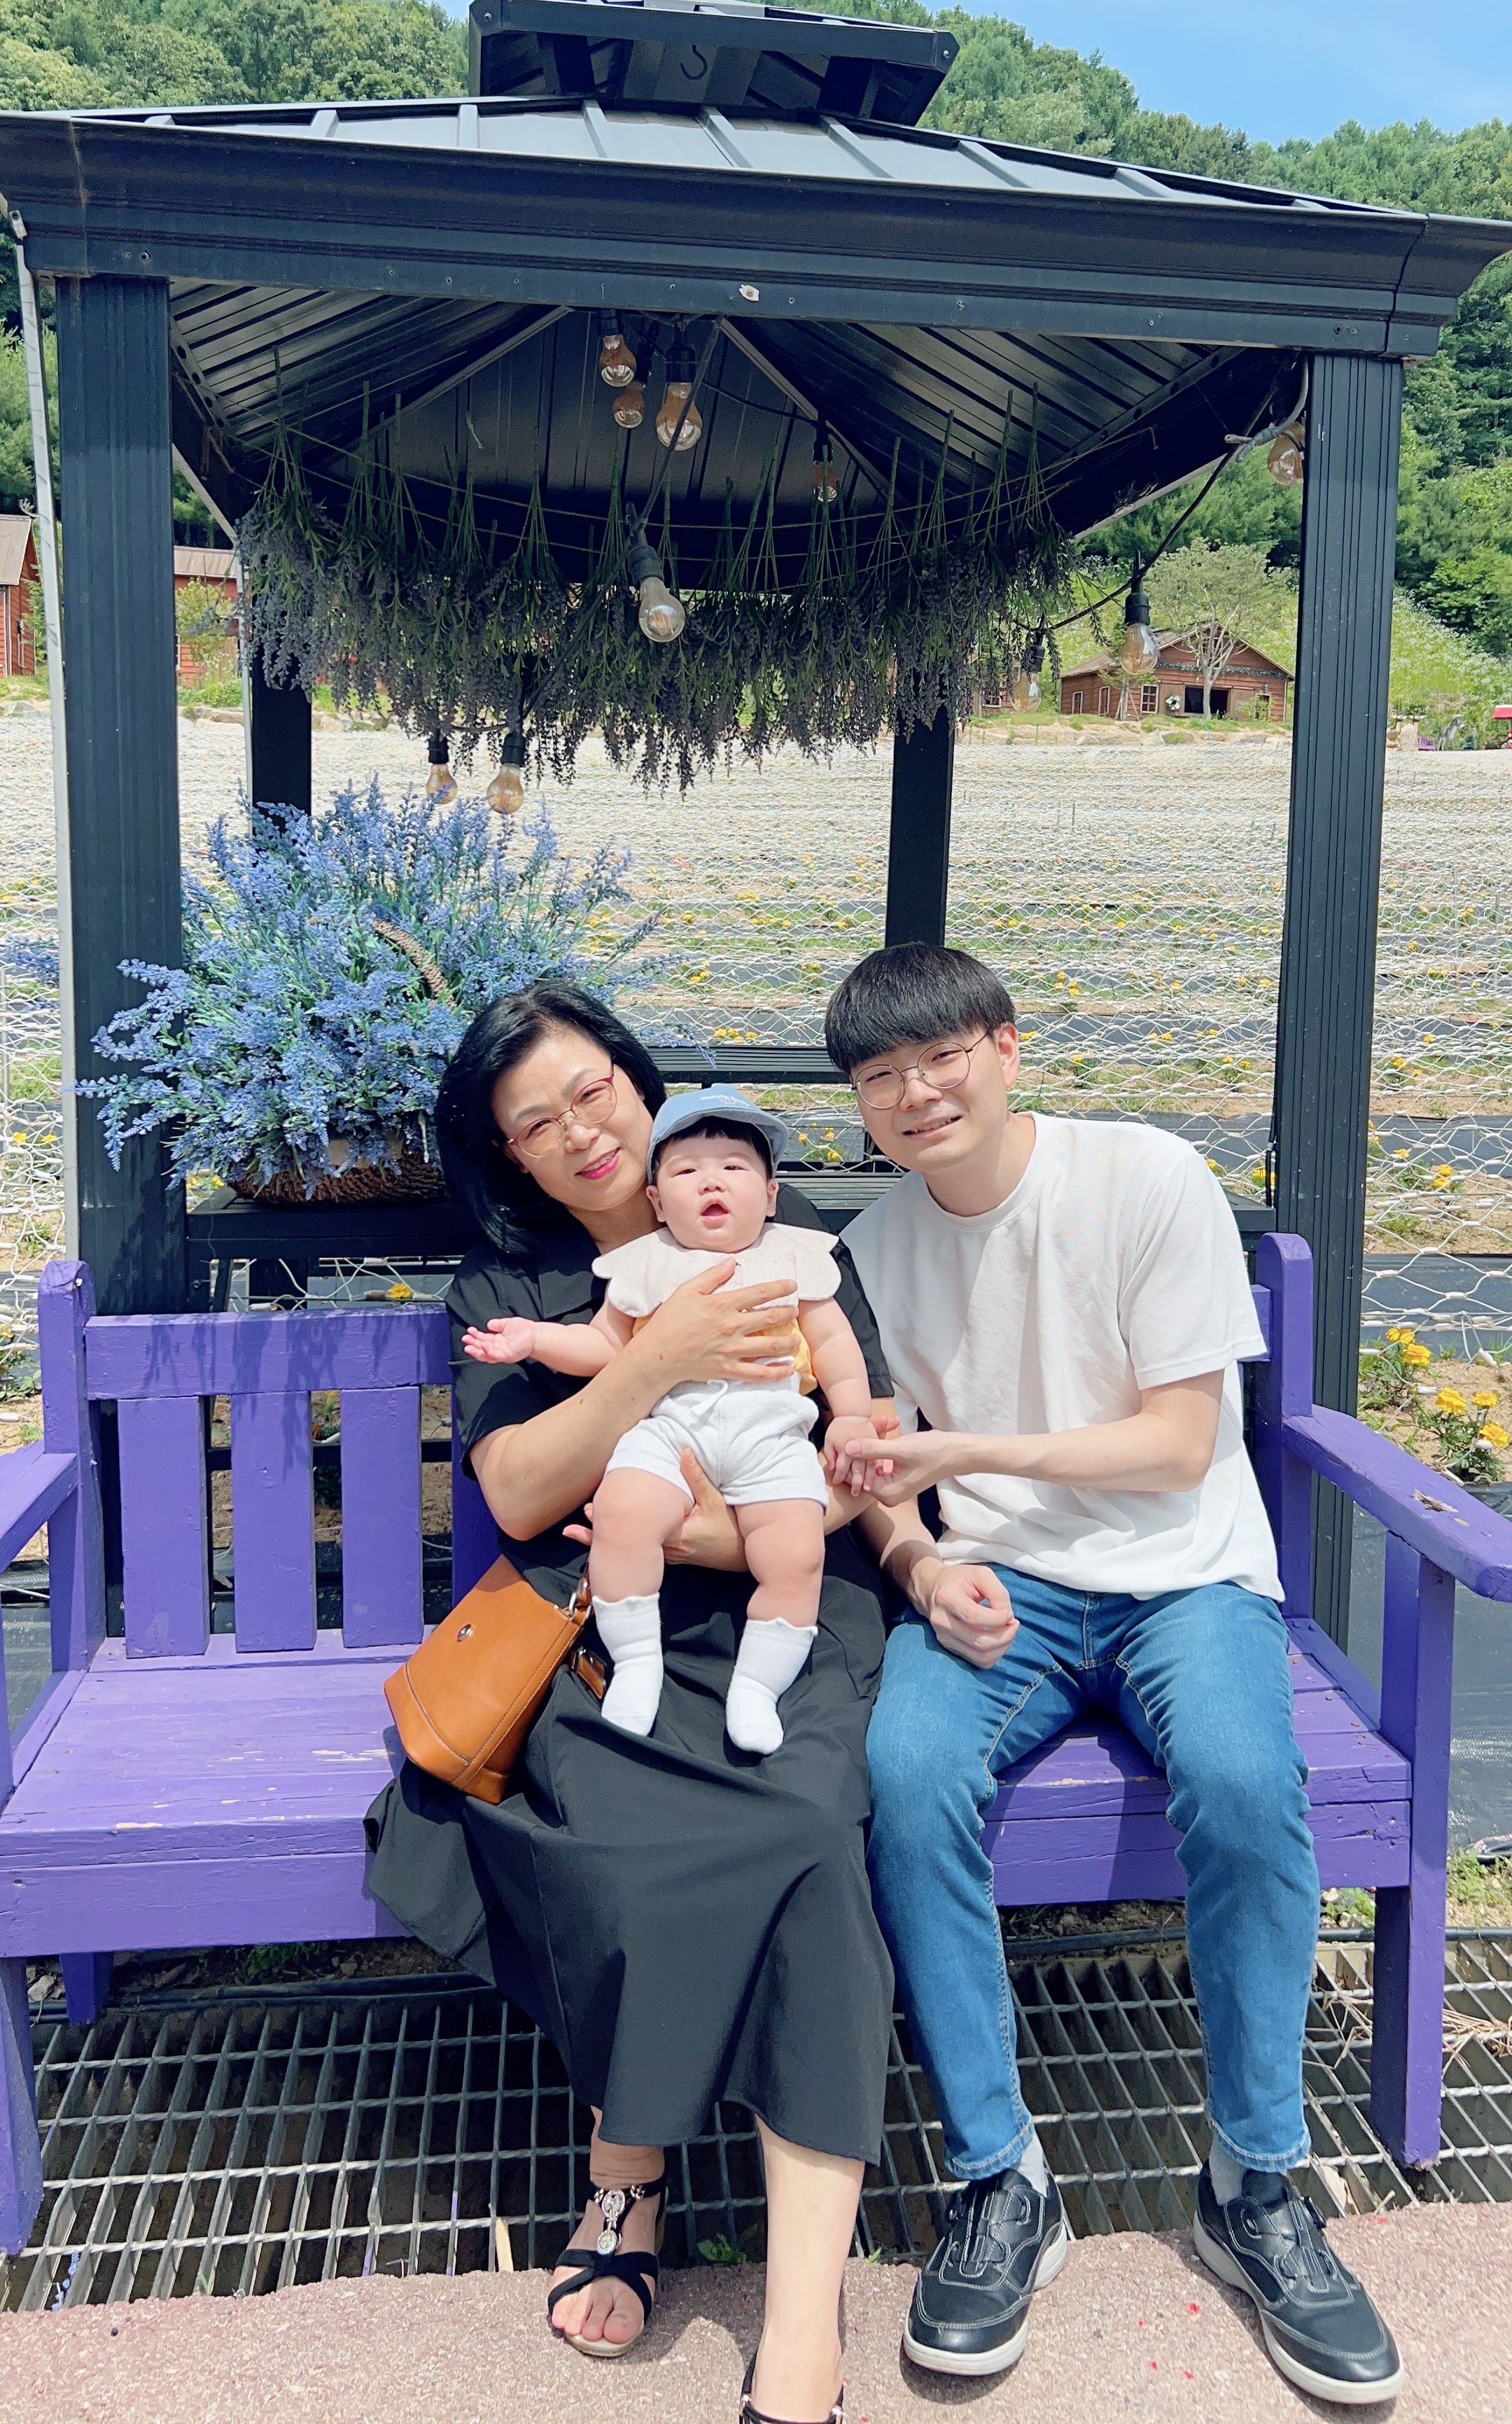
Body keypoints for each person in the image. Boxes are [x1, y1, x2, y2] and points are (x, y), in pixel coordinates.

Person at [822, 941, 1404, 2409]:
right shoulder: (869, 1252)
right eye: (881, 1076)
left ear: (1007, 1047)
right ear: (861, 1106)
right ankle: (999, 2178)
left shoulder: (1146, 1179)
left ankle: (1257, 2180)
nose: (915, 1093)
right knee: (904, 1775)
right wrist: (916, 1561)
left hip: (1183, 1576)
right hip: (997, 1588)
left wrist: (966, 1452)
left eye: (940, 1056)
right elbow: (874, 1472)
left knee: (1245, 1782)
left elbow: (1178, 1443)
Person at [364, 981, 907, 2424]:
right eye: (536, 1124)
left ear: (637, 1079)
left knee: (810, 1839)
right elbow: (517, 1491)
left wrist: (718, 1529)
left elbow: (853, 1458)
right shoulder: (515, 1286)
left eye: (591, 1090)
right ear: (512, 1160)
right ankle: (628, 2175)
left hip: (785, 1610)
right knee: (614, 1839)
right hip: (599, 1625)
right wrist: (653, 1363)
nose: (581, 1131)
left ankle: (804, 2319)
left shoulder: (783, 1238)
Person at [462, 1086, 875, 1751]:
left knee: (797, 1555)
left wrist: (851, 1417)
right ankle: (635, 1660)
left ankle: (759, 1685)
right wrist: (534, 1339)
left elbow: (835, 1349)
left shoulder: (796, 1257)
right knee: (623, 1514)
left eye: (734, 1167)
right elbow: (603, 1346)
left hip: (772, 1435)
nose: (712, 1181)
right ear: (657, 1201)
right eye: (687, 1171)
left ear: (771, 1195)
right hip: (671, 1430)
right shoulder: (647, 1262)